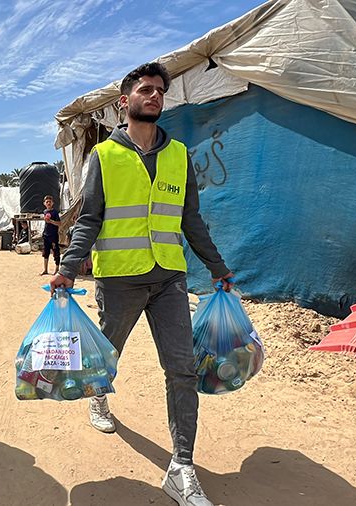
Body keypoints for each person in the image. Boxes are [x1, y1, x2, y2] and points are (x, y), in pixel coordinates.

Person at [50, 62, 235, 506]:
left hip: (169, 279)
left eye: (159, 92)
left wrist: (218, 267)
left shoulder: (179, 156)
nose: (153, 96)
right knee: (106, 354)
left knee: (182, 369)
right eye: (145, 90)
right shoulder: (105, 157)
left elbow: (191, 220)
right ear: (125, 101)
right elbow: (89, 219)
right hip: (119, 280)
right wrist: (69, 267)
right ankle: (98, 396)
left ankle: (182, 467)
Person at [40, 195, 61, 275]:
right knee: (45, 252)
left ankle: (57, 269)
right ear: (44, 203)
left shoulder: (55, 212)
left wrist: (51, 221)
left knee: (56, 252)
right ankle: (45, 270)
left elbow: (59, 223)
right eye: (47, 202)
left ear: (52, 203)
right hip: (46, 235)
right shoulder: (45, 212)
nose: (48, 203)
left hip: (53, 236)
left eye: (50, 202)